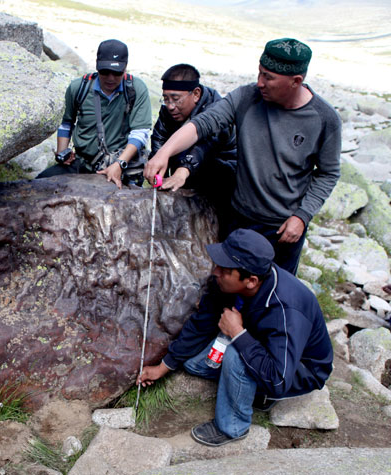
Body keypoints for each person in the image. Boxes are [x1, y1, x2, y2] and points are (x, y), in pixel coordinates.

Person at [144, 38, 342, 275]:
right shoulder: (246, 98)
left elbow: (328, 173)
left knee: (272, 296)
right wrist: (164, 153)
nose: (260, 83)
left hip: (283, 228)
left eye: (268, 77)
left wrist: (302, 217)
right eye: (259, 73)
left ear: (296, 81)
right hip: (240, 218)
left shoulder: (324, 119)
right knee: (228, 286)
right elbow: (203, 125)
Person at [137, 228, 333, 447]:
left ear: (250, 280)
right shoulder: (228, 282)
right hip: (258, 342)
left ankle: (232, 427)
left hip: (297, 370)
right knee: (193, 363)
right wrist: (164, 367)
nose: (216, 271)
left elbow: (279, 379)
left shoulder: (286, 309)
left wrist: (238, 334)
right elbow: (203, 323)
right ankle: (250, 387)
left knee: (235, 355)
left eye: (224, 268)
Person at [37, 39, 152, 188]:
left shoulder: (136, 89)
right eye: (104, 72)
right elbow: (67, 122)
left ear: (125, 68)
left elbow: (140, 132)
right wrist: (62, 153)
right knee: (40, 182)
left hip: (121, 165)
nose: (110, 78)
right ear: (97, 66)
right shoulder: (79, 87)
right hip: (82, 162)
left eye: (116, 73)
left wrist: (119, 164)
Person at [150, 63, 236, 237]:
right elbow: (159, 136)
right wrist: (158, 167)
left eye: (176, 99)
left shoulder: (218, 110)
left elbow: (206, 145)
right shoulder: (169, 111)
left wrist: (183, 170)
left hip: (221, 178)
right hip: (186, 176)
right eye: (166, 99)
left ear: (196, 94)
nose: (170, 106)